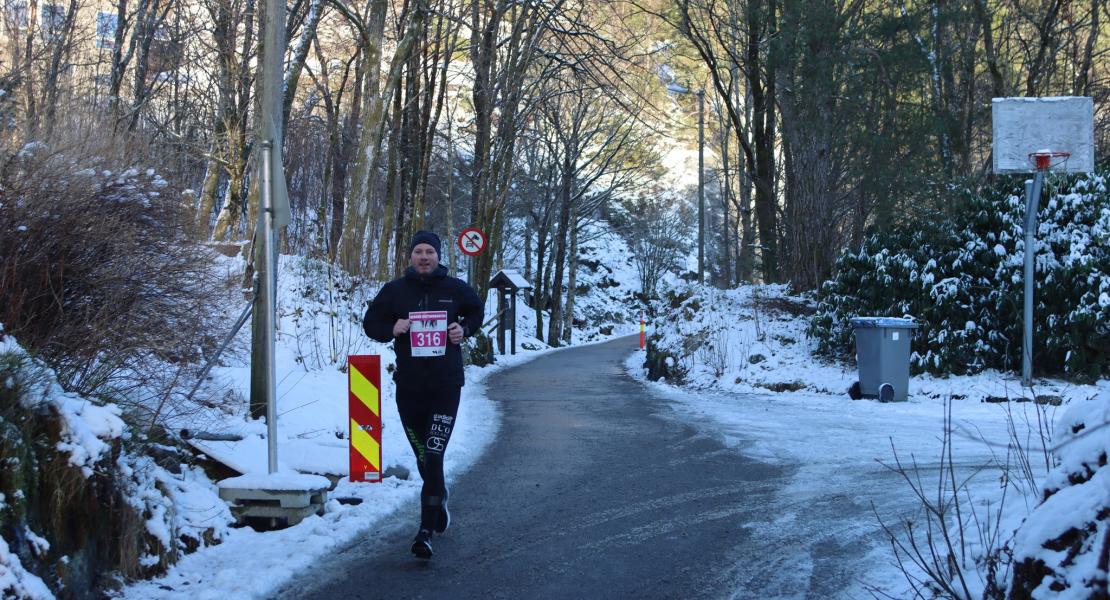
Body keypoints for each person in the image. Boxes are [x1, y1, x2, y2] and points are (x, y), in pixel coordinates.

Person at [362, 230, 484, 559]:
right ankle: (439, 496)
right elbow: (370, 323)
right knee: (423, 456)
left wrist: (465, 329)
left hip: (446, 385)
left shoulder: (455, 288)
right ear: (411, 257)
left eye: (430, 251)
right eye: (419, 251)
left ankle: (424, 531)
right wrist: (393, 329)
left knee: (432, 453)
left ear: (438, 256)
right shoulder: (395, 291)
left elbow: (476, 311)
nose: (425, 257)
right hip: (410, 388)